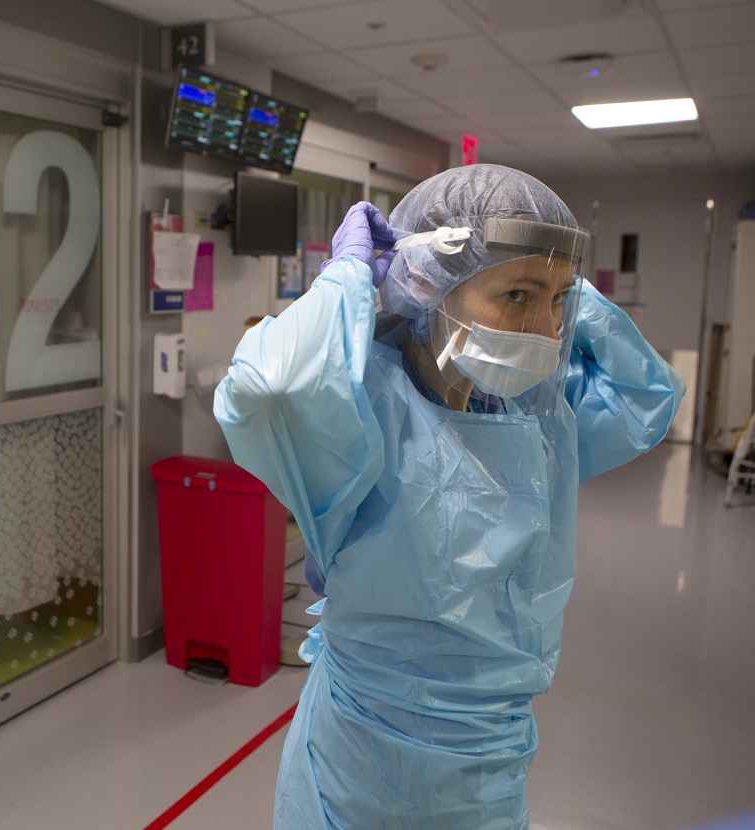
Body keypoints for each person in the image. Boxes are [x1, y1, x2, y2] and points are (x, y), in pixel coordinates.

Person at [214, 164, 684, 829]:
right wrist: (346, 281)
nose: (546, 327)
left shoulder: (532, 420)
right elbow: (264, 387)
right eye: (518, 296)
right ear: (428, 283)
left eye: (558, 301)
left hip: (487, 762)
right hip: (362, 758)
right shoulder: (362, 410)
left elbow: (648, 400)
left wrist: (559, 278)